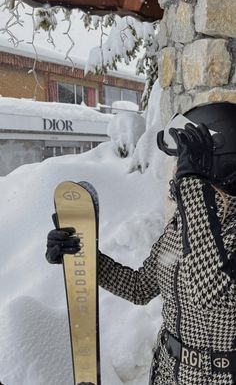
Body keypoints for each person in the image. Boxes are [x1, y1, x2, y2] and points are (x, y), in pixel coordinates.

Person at [46, 101, 236, 385]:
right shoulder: (181, 225)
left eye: (185, 162)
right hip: (167, 372)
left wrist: (194, 188)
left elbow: (209, 292)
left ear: (218, 164)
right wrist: (83, 257)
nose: (175, 173)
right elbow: (140, 287)